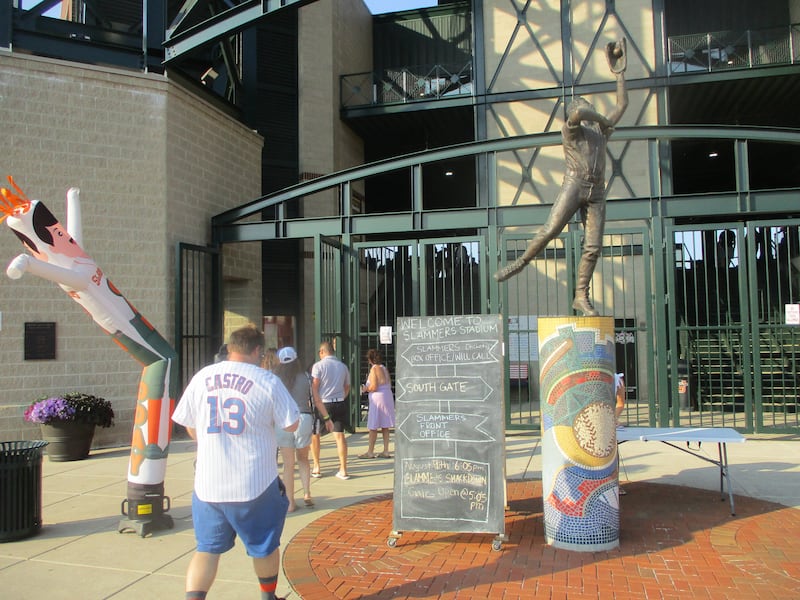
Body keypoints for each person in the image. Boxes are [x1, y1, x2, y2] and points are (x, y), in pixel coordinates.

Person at [494, 38, 629, 317]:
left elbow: (623, 103)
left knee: (593, 246)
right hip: (575, 182)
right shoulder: (572, 130)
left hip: (597, 191)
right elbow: (579, 112)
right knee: (550, 230)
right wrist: (602, 119)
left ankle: (581, 295)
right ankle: (521, 261)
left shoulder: (599, 133)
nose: (579, 109)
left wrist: (619, 74)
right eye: (578, 107)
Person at [171, 325, 299, 600]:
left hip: (208, 484)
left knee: (206, 548)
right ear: (257, 351)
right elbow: (292, 424)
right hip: (254, 482)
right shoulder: (266, 380)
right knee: (264, 547)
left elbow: (188, 423)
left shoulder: (203, 376)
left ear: (230, 348)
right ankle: (267, 597)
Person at [272, 346, 333, 511]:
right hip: (303, 418)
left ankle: (290, 502)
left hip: (283, 421)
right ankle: (307, 493)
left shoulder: (274, 379)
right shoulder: (306, 377)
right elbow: (316, 400)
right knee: (304, 459)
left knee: (288, 465)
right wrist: (326, 418)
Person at [311, 340, 352, 480]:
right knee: (339, 435)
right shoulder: (342, 366)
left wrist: (317, 401)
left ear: (322, 351)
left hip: (324, 404)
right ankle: (343, 468)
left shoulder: (318, 366)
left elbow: (315, 386)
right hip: (339, 402)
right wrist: (341, 396)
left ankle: (317, 466)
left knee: (315, 435)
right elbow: (347, 386)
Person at [359, 348, 396, 459]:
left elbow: (374, 386)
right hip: (387, 396)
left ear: (370, 360)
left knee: (373, 426)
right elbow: (387, 382)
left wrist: (365, 389)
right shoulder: (384, 369)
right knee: (385, 426)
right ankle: (386, 450)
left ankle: (370, 451)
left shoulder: (374, 369)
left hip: (377, 399)